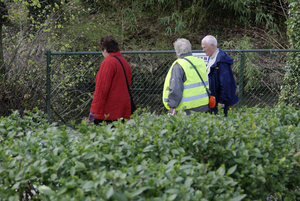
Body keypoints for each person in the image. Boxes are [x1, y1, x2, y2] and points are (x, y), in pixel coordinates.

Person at [89, 35, 132, 125]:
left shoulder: (108, 63)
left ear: (105, 49)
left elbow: (101, 89)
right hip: (123, 110)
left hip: (107, 113)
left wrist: (93, 112)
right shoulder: (124, 62)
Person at [163, 38, 209, 116]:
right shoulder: (201, 62)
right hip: (203, 104)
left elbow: (176, 88)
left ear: (177, 52)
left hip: (186, 108)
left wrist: (173, 105)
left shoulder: (179, 65)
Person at [201, 35, 239, 117]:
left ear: (212, 45)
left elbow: (226, 82)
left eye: (204, 47)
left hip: (218, 100)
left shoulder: (221, 60)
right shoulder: (211, 57)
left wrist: (222, 101)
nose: (203, 50)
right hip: (212, 97)